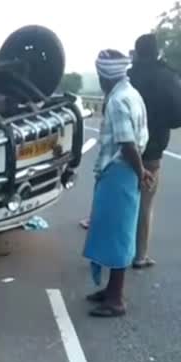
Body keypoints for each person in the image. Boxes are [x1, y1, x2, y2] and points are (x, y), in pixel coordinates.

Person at [83, 50, 150, 318]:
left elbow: (127, 143)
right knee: (112, 232)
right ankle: (110, 290)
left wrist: (141, 171)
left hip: (120, 172)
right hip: (124, 171)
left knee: (117, 236)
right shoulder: (132, 93)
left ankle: (116, 299)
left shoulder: (117, 100)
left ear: (104, 76)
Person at [128, 34, 174, 268]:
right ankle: (140, 255)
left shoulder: (128, 76)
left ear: (137, 52)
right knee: (146, 205)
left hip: (126, 150)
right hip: (153, 151)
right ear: (156, 51)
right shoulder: (167, 76)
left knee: (124, 201)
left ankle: (117, 252)